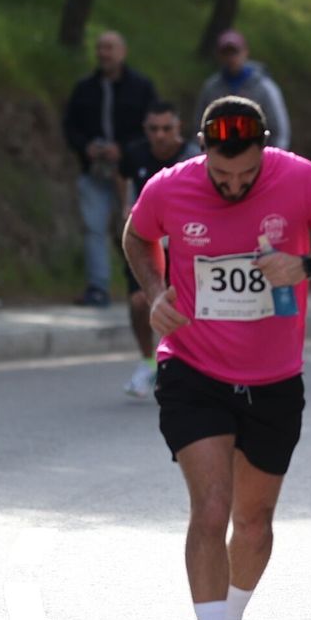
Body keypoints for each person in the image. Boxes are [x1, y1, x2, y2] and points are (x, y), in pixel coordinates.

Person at [122, 96, 311, 620]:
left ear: (265, 150)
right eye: (221, 175)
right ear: (202, 150)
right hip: (193, 367)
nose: (234, 187)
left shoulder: (301, 178)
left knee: (254, 523)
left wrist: (308, 262)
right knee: (211, 507)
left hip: (274, 377)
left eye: (247, 176)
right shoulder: (170, 187)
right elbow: (136, 234)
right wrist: (154, 291)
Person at [62, 31, 158, 307]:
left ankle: (149, 286)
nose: (104, 53)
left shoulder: (141, 87)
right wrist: (86, 147)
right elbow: (70, 127)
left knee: (138, 226)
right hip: (95, 172)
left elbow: (154, 127)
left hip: (132, 173)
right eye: (100, 48)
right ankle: (98, 288)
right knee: (94, 228)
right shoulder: (84, 89)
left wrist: (125, 149)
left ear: (123, 52)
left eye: (110, 48)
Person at [118, 101, 201, 398]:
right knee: (141, 302)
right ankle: (147, 360)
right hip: (145, 240)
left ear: (178, 128)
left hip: (184, 244)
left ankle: (179, 366)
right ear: (146, 130)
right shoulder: (136, 153)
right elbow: (126, 183)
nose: (161, 135)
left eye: (167, 128)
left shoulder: (193, 157)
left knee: (181, 305)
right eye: (154, 129)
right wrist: (127, 211)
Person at [194, 29, 293, 153]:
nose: (231, 58)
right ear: (219, 56)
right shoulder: (211, 88)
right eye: (226, 53)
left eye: (235, 52)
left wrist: (272, 159)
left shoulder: (264, 88)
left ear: (245, 52)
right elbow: (199, 127)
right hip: (219, 158)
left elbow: (279, 131)